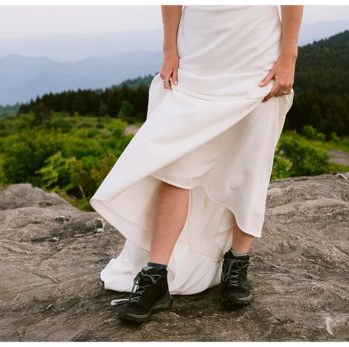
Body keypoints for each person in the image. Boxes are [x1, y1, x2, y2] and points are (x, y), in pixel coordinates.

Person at [90, 5, 302, 323]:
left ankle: (237, 264)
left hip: (257, 59)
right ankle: (155, 276)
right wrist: (169, 51)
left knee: (249, 166)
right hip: (199, 59)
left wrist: (288, 59)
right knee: (176, 169)